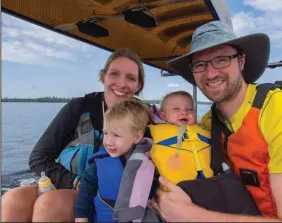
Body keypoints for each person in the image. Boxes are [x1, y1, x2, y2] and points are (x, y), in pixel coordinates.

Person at [151, 20, 282, 222]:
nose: (211, 73)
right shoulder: (208, 123)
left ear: (241, 62)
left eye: (222, 59)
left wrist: (191, 215)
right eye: (200, 65)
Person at [1, 48, 146, 222]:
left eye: (130, 78)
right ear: (103, 77)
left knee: (49, 204)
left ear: (138, 86)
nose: (122, 84)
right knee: (12, 199)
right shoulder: (78, 108)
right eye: (115, 74)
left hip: (105, 195)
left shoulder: (145, 117)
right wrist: (75, 182)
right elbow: (38, 158)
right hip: (70, 182)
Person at [114, 91, 260, 222]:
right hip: (177, 193)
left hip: (214, 187)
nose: (184, 113)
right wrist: (130, 208)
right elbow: (137, 167)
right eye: (176, 109)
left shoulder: (206, 130)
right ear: (163, 115)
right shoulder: (153, 136)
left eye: (189, 109)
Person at [74, 100, 151, 222]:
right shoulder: (97, 167)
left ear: (137, 137)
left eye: (116, 135)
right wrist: (81, 219)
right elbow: (84, 198)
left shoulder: (149, 165)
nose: (108, 142)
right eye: (105, 133)